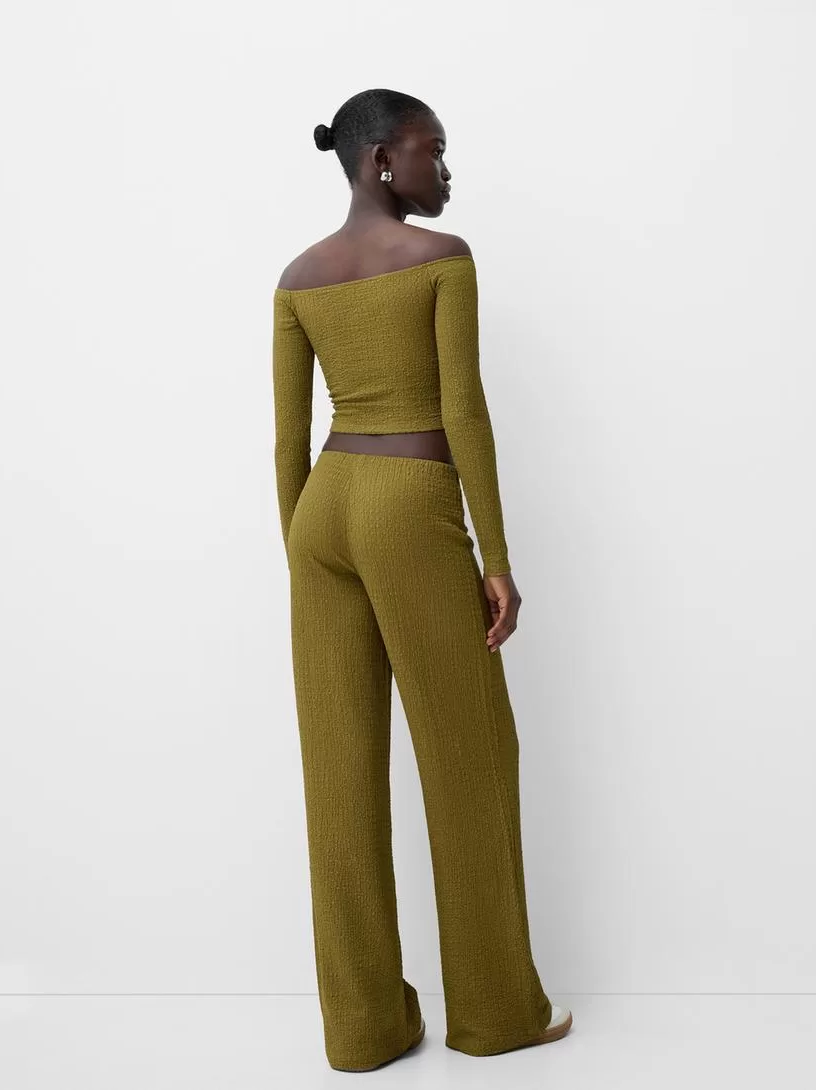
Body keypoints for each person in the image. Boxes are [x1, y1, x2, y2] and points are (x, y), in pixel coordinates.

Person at [271, 87, 573, 1072]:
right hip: (409, 504)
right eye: (431, 151)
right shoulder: (442, 258)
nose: (444, 171)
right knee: (468, 757)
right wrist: (496, 558)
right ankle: (496, 1014)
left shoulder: (298, 278)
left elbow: (286, 437)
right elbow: (463, 410)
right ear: (380, 162)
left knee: (338, 777)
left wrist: (301, 555)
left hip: (322, 514)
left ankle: (363, 1031)